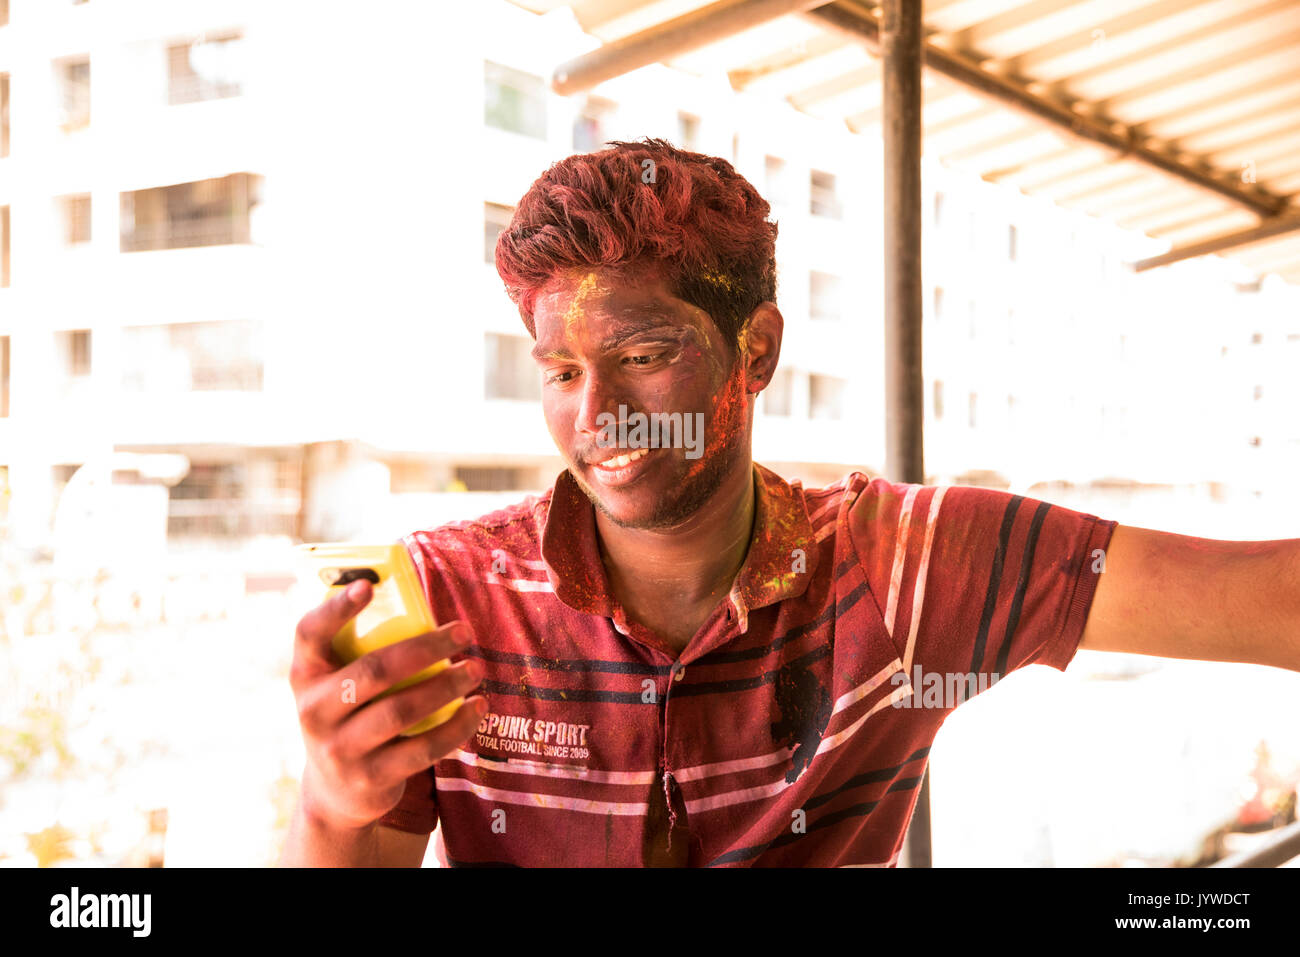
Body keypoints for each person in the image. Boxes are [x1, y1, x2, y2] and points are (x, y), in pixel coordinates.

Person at [279, 138, 1300, 867]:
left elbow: (1273, 597)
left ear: (755, 350)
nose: (596, 416)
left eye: (640, 356)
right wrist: (329, 809)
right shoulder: (448, 595)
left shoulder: (903, 566)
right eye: (559, 371)